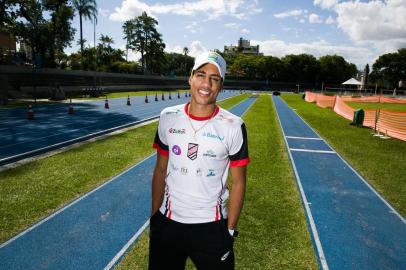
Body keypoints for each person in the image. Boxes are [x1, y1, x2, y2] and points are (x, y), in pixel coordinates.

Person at [149, 51, 249, 270]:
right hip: (168, 224)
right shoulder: (168, 117)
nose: (207, 83)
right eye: (201, 75)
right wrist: (155, 216)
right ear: (190, 78)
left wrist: (229, 230)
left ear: (221, 85)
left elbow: (239, 182)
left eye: (215, 79)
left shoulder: (233, 125)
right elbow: (160, 170)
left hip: (211, 228)